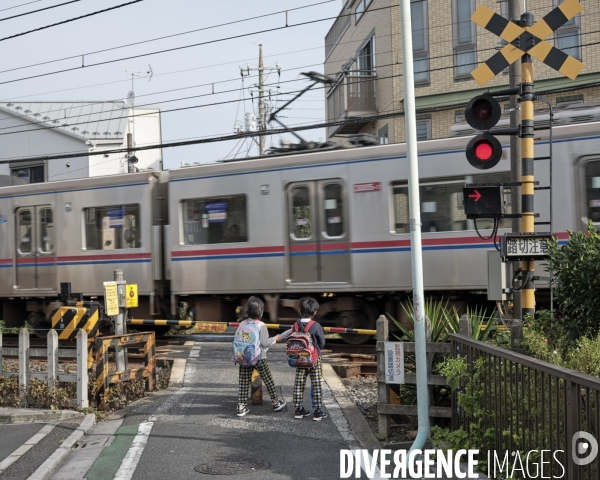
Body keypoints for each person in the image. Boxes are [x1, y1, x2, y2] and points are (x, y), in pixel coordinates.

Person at [235, 296, 286, 417]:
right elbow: (265, 343)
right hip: (259, 357)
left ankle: (241, 407)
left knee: (243, 382)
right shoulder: (261, 325)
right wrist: (276, 338)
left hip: (244, 357)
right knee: (268, 380)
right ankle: (275, 402)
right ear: (261, 311)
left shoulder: (242, 323)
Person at [291, 296, 328, 421]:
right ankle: (317, 412)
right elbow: (322, 342)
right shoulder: (316, 325)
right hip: (314, 360)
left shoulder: (295, 325)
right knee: (316, 384)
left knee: (299, 384)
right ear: (315, 312)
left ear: (300, 311)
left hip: (299, 360)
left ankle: (298, 410)